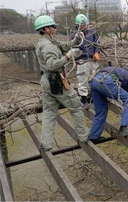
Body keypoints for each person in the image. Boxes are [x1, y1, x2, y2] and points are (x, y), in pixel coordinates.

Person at [34, 15, 89, 151]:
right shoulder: (48, 46)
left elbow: (63, 46)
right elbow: (52, 65)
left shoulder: (47, 41)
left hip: (46, 81)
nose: (55, 28)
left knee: (49, 112)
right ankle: (83, 136)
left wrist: (76, 40)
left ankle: (46, 144)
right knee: (76, 106)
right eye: (53, 26)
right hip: (56, 80)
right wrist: (68, 56)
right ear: (46, 29)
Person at [89, 66, 128, 141]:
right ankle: (125, 128)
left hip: (94, 80)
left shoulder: (125, 73)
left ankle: (93, 136)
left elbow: (121, 95)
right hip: (105, 80)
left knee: (101, 111)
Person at [71, 14, 100, 106]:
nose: (84, 26)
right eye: (82, 24)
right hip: (82, 60)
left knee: (96, 78)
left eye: (85, 24)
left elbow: (97, 43)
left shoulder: (92, 33)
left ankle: (95, 96)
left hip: (93, 59)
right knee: (83, 79)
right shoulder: (74, 36)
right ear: (77, 25)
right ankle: (84, 99)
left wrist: (97, 52)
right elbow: (74, 48)